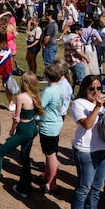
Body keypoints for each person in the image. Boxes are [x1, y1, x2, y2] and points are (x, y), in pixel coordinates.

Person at [0, 71, 42, 197]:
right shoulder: (35, 96)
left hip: (23, 130)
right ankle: (24, 188)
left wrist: (11, 131)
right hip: (32, 128)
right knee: (25, 158)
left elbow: (16, 119)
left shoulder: (21, 97)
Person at [65, 75, 105, 209]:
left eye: (99, 88)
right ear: (85, 88)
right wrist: (97, 107)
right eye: (92, 88)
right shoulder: (78, 103)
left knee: (96, 187)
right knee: (84, 186)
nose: (95, 91)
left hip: (104, 149)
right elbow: (87, 125)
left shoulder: (104, 104)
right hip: (86, 150)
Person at [39, 62, 66, 194]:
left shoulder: (48, 91)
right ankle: (48, 176)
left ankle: (52, 183)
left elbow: (40, 106)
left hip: (48, 124)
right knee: (51, 152)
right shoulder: (59, 88)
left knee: (51, 154)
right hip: (56, 122)